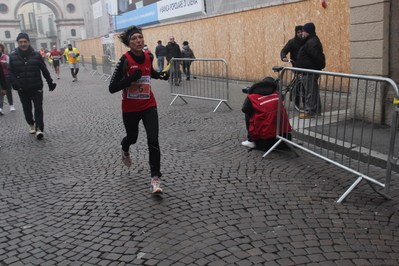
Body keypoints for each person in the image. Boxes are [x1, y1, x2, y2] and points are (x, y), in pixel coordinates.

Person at [108, 26, 169, 194]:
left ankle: (155, 179)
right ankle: (124, 147)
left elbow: (149, 73)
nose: (138, 40)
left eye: (140, 37)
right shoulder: (125, 60)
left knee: (153, 140)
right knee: (132, 138)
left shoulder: (149, 56)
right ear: (129, 43)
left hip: (149, 104)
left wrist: (161, 76)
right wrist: (130, 79)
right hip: (130, 107)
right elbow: (112, 87)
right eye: (134, 38)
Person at [7, 33, 56, 139]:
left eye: (25, 41)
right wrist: (15, 84)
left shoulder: (36, 54)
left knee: (38, 108)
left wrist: (50, 82)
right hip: (22, 87)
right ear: (18, 43)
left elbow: (44, 70)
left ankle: (39, 129)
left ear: (28, 42)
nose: (23, 44)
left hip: (36, 86)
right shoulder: (13, 56)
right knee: (27, 108)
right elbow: (10, 72)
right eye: (21, 42)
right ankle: (31, 124)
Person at [241, 77, 292, 150]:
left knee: (248, 114)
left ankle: (251, 140)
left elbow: (245, 110)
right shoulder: (277, 94)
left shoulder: (252, 97)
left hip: (265, 133)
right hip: (283, 131)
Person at [296, 22, 326, 118]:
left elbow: (315, 56)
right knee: (313, 91)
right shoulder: (311, 40)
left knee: (310, 92)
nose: (302, 33)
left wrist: (317, 66)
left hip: (309, 71)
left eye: (303, 31)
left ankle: (310, 111)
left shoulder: (311, 42)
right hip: (310, 70)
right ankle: (316, 110)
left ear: (307, 31)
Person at [280, 25, 304, 110]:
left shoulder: (306, 41)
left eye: (302, 32)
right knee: (298, 86)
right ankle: (297, 103)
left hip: (305, 67)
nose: (300, 34)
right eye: (298, 32)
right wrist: (284, 57)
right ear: (296, 33)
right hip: (296, 67)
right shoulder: (292, 42)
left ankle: (305, 103)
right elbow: (284, 50)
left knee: (305, 86)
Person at [0, 43, 15, 114]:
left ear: (2, 48)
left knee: (8, 91)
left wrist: (5, 62)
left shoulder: (5, 56)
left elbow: (10, 65)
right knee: (0, 93)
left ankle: (11, 105)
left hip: (6, 76)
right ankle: (1, 108)